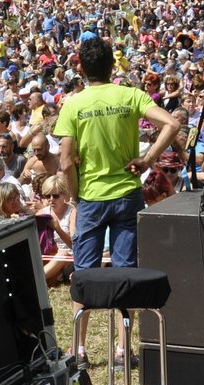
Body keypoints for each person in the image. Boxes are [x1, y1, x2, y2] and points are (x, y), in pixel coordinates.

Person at [53, 36, 180, 272]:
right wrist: (148, 161)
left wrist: (75, 196)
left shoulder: (72, 104)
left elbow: (67, 162)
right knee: (126, 269)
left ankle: (84, 311)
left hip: (91, 195)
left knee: (85, 273)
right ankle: (126, 310)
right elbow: (172, 124)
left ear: (81, 67)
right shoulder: (130, 95)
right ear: (113, 65)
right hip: (127, 194)